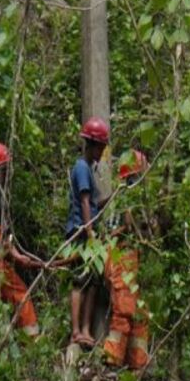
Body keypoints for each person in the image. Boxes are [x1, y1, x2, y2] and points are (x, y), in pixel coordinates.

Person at [0, 141, 44, 336]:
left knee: (13, 296)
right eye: (1, 170)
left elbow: (5, 233)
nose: (4, 175)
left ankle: (27, 341)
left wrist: (17, 255)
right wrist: (1, 252)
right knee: (9, 298)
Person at [102, 149, 150, 369]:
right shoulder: (124, 198)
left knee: (140, 313)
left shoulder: (135, 200)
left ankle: (137, 363)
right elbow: (121, 230)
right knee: (124, 309)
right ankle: (112, 359)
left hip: (131, 257)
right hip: (121, 255)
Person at [65, 117, 109, 347]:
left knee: (93, 281)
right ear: (91, 145)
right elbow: (83, 202)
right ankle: (75, 330)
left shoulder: (89, 170)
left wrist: (112, 197)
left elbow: (93, 204)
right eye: (100, 147)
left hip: (88, 229)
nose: (102, 152)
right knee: (79, 280)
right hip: (80, 231)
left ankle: (85, 329)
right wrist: (90, 232)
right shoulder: (82, 167)